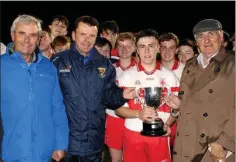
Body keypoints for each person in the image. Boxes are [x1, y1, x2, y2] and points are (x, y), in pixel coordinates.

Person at [51, 16, 135, 162]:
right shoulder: (58, 61)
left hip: (93, 143)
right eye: (82, 34)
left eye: (91, 36)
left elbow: (108, 96)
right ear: (73, 35)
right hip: (65, 143)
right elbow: (47, 101)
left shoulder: (105, 64)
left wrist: (122, 95)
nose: (87, 39)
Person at [1, 14, 69, 162]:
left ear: (38, 39)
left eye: (32, 35)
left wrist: (60, 144)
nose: (27, 40)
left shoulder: (48, 67)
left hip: (43, 152)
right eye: (22, 33)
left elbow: (57, 107)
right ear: (13, 35)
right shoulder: (2, 66)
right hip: (11, 153)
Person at [166, 19, 235, 162]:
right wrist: (178, 107)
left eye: (211, 34)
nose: (207, 40)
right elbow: (189, 101)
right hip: (187, 141)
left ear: (221, 37)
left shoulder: (232, 63)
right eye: (201, 36)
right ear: (196, 41)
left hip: (214, 146)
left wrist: (224, 143)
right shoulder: (190, 64)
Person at [115, 29, 180, 162]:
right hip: (134, 134)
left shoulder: (170, 76)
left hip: (160, 136)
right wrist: (138, 114)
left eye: (151, 46)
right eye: (142, 47)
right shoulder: (127, 76)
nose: (146, 51)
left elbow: (176, 110)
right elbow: (118, 109)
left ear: (157, 48)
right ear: (136, 50)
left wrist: (168, 124)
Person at [105, 32, 136, 162]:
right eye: (121, 46)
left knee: (133, 158)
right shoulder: (109, 69)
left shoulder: (139, 69)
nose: (124, 49)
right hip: (114, 117)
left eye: (128, 46)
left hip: (135, 118)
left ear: (134, 48)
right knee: (115, 159)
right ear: (116, 48)